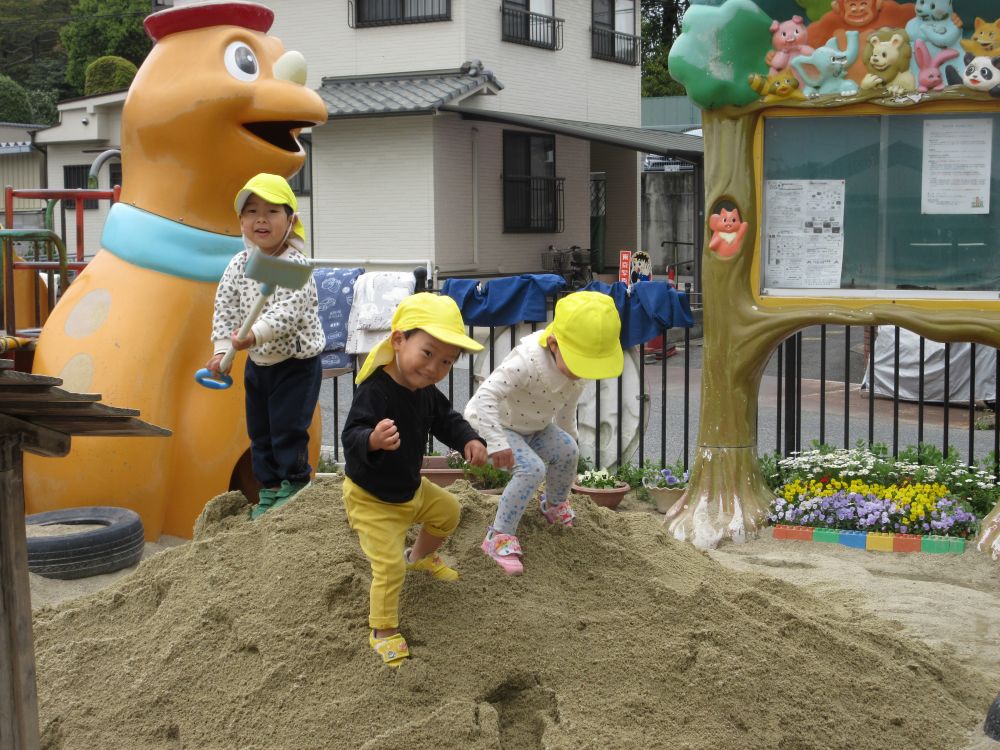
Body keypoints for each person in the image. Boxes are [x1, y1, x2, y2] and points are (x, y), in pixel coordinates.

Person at [341, 292, 488, 667]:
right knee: (388, 568)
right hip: (373, 498)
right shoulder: (375, 389)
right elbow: (352, 433)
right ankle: (383, 629)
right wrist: (372, 439)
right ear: (398, 340)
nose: (434, 368)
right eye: (427, 353)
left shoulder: (424, 392)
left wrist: (469, 438)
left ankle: (420, 556)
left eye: (446, 362)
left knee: (449, 512)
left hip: (410, 487)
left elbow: (446, 420)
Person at [465, 291, 623, 575]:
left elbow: (565, 414)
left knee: (568, 451)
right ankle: (498, 536)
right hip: (496, 425)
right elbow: (484, 397)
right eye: (581, 362)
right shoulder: (526, 362)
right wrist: (497, 443)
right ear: (553, 344)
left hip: (534, 427)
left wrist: (569, 449)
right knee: (531, 469)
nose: (584, 372)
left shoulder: (575, 375)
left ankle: (553, 505)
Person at [205, 173, 324, 519]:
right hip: (259, 362)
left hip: (296, 361)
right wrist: (222, 348)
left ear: (290, 221)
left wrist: (253, 334)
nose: (261, 219)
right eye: (252, 211)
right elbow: (224, 309)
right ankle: (269, 487)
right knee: (260, 428)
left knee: (288, 426)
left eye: (272, 211)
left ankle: (296, 483)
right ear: (241, 221)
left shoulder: (297, 267)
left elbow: (287, 311)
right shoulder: (239, 266)